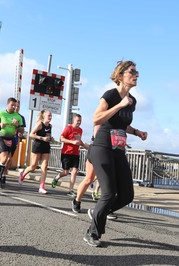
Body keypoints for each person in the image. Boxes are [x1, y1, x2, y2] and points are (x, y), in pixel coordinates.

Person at [84, 60, 148, 247]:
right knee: (109, 193)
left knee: (127, 195)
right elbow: (96, 118)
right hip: (102, 147)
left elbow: (122, 124)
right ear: (120, 76)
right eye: (132, 71)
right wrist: (119, 105)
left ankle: (99, 212)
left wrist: (137, 132)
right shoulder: (111, 95)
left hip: (118, 149)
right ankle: (93, 233)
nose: (136, 75)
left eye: (138, 72)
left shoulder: (132, 101)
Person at [0, 97, 24, 190]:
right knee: (4, 157)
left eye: (15, 105)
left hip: (11, 139)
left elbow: (22, 130)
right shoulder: (0, 113)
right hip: (1, 137)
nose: (13, 107)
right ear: (7, 104)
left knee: (1, 160)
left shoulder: (18, 117)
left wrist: (17, 126)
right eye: (12, 105)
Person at [51, 113, 89, 196]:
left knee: (75, 171)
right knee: (65, 172)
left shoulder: (80, 130)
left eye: (80, 121)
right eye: (77, 121)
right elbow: (61, 138)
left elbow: (78, 140)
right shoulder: (68, 128)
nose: (79, 122)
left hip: (76, 153)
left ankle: (70, 190)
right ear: (73, 120)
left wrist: (85, 146)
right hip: (66, 153)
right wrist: (72, 142)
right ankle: (56, 178)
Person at [19, 110, 54, 194]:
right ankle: (23, 174)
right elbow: (31, 134)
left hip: (46, 147)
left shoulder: (50, 126)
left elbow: (48, 135)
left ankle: (41, 187)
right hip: (37, 146)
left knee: (44, 166)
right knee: (33, 166)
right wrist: (42, 138)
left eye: (51, 116)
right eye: (49, 115)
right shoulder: (40, 124)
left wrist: (51, 139)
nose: (50, 117)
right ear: (44, 116)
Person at [2, 100, 26, 182]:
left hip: (14, 139)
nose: (16, 108)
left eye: (18, 107)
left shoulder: (21, 118)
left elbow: (22, 130)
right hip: (4, 138)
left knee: (9, 158)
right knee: (3, 158)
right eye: (15, 106)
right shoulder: (6, 115)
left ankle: (4, 173)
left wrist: (19, 130)